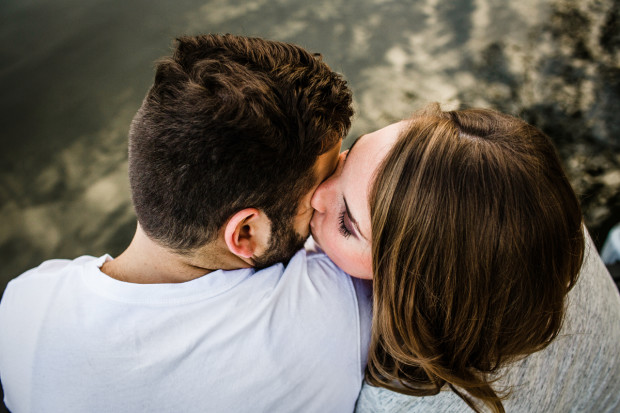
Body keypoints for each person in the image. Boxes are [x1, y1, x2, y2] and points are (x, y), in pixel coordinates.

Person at [0, 34, 372, 413]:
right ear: (246, 234)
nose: (330, 193)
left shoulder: (25, 306)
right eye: (321, 187)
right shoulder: (339, 305)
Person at [310, 105, 620, 412]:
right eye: (347, 158)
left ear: (414, 288)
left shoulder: (399, 401)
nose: (315, 195)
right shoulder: (533, 200)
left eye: (346, 224)